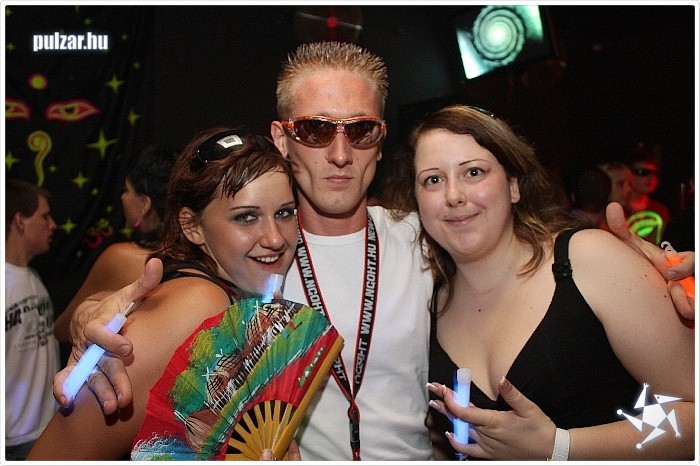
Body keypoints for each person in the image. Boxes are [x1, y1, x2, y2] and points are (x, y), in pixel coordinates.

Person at [53, 42, 696, 461]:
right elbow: (141, 283)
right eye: (315, 130)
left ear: (381, 139)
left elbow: (530, 253)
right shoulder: (252, 257)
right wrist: (90, 318)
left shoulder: (430, 238)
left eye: (360, 131)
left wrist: (651, 264)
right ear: (282, 137)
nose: (340, 154)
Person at [385, 105, 694, 460]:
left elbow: (691, 411)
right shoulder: (429, 304)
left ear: (513, 185)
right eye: (433, 180)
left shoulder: (586, 259)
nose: (454, 195)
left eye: (473, 172)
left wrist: (561, 447)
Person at [26, 127, 300, 460]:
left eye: (284, 213)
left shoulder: (240, 296)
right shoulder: (198, 305)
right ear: (192, 226)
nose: (275, 238)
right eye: (246, 217)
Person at [54, 145, 177, 343]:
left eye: (126, 190)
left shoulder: (120, 257)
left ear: (145, 203)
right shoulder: (192, 255)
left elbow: (63, 328)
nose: (122, 197)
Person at [5, 179, 60, 460]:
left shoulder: (33, 278)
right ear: (19, 221)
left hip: (45, 431)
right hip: (12, 442)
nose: (53, 225)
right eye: (44, 216)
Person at [626, 142, 671, 244]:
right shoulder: (616, 206)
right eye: (642, 172)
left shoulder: (659, 210)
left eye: (654, 173)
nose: (650, 177)